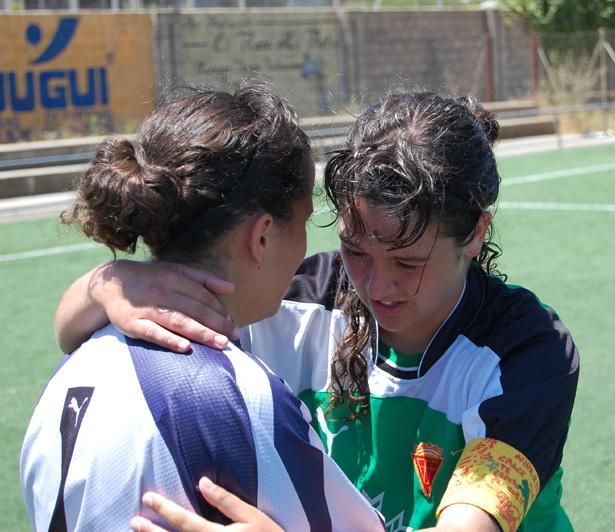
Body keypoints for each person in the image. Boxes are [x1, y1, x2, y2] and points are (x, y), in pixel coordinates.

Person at [54, 92, 580, 532]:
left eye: (407, 261)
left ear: (475, 234)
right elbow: (68, 329)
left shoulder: (525, 352)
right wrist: (112, 284)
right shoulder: (294, 301)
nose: (378, 285)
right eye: (356, 250)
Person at [20, 83, 384, 532]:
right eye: (304, 221)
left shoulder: (73, 367)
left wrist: (102, 284)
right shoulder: (239, 400)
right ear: (263, 235)